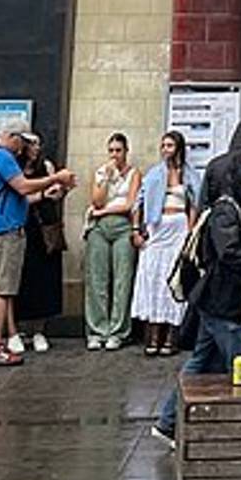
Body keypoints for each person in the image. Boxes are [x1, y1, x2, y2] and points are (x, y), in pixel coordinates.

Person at [153, 143, 241, 445]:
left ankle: (167, 423)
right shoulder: (226, 210)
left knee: (199, 363)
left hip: (220, 301)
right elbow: (229, 253)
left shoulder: (238, 207)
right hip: (224, 302)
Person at [0, 119, 72, 367]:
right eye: (23, 141)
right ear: (13, 137)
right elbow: (23, 187)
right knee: (3, 291)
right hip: (7, 230)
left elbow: (22, 195)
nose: (24, 147)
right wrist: (55, 178)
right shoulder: (4, 157)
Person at [132, 131, 200, 357]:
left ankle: (172, 335)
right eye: (163, 145)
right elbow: (138, 203)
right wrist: (136, 230)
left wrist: (191, 232)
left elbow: (194, 204)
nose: (165, 150)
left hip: (178, 229)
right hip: (157, 228)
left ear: (179, 148)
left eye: (170, 145)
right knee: (153, 278)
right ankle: (152, 334)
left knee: (175, 280)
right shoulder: (154, 174)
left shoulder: (189, 174)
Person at [83, 133, 142, 350]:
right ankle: (97, 330)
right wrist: (105, 178)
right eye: (111, 150)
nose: (114, 155)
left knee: (122, 279)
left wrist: (103, 211)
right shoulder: (101, 171)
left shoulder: (134, 173)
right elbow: (96, 202)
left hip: (122, 227)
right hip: (99, 228)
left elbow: (130, 204)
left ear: (126, 151)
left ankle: (118, 331)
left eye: (118, 150)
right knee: (97, 279)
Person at [13, 133, 66, 355]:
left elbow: (58, 191)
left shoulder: (47, 165)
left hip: (45, 229)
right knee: (20, 279)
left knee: (44, 278)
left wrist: (58, 192)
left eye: (38, 143)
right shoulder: (14, 169)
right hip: (22, 226)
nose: (36, 147)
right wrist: (44, 193)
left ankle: (39, 330)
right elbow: (20, 198)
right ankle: (16, 330)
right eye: (31, 143)